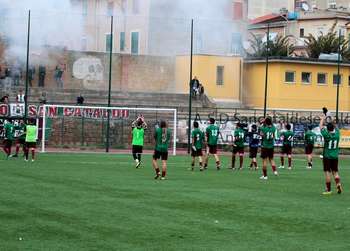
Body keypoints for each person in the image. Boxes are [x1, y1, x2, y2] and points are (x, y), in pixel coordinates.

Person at [319, 116, 343, 195]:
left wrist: (322, 118)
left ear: (328, 129)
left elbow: (320, 127)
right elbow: (336, 127)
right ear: (333, 128)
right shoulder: (337, 134)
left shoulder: (326, 135)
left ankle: (328, 190)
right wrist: (332, 120)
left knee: (327, 172)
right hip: (335, 156)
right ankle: (338, 184)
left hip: (327, 156)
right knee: (335, 172)